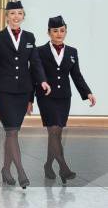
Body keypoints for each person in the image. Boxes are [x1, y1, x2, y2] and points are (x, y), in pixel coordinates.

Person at [0, 0, 51, 189]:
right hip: (4, 91)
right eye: (12, 13)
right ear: (6, 16)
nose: (16, 16)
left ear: (23, 16)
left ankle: (5, 169)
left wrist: (42, 81)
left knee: (12, 133)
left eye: (19, 13)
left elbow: (35, 64)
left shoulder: (29, 37)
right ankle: (21, 172)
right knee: (12, 131)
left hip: (23, 91)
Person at [36, 15, 95, 184]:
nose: (59, 34)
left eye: (62, 31)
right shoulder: (40, 51)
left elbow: (76, 76)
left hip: (63, 98)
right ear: (49, 33)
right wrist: (30, 100)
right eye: (55, 31)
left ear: (65, 32)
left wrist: (87, 93)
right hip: (46, 97)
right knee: (53, 130)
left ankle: (48, 165)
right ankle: (64, 167)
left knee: (56, 134)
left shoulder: (72, 52)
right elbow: (35, 75)